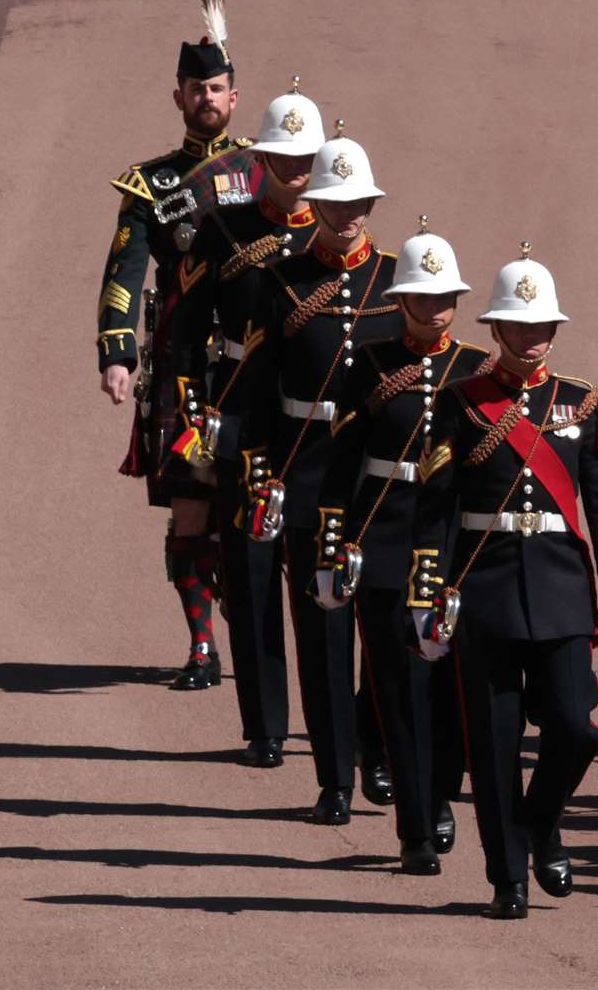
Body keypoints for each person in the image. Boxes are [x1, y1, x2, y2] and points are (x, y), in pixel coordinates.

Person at [411, 246, 598, 919]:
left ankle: (539, 824)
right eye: (522, 325)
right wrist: (428, 598)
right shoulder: (460, 406)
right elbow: (437, 509)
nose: (534, 336)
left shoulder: (581, 404)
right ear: (498, 330)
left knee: (575, 727)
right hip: (486, 593)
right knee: (493, 743)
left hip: (563, 592)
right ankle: (507, 878)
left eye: (544, 326)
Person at [317, 219, 490, 874]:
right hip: (385, 536)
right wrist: (332, 549)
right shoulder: (369, 365)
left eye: (446, 296)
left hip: (450, 544)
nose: (437, 307)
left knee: (449, 689)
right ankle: (416, 826)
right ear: (402, 302)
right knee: (398, 687)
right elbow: (340, 467)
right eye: (424, 295)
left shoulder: (474, 369)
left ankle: (441, 789)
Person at [95, 0, 251, 690]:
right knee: (192, 505)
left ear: (235, 95)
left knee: (259, 501)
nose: (207, 98)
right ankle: (201, 644)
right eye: (196, 88)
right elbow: (124, 271)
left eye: (217, 87)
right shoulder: (150, 183)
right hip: (185, 366)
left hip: (255, 361)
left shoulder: (263, 169)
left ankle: (262, 638)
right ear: (178, 95)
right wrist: (118, 353)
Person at [249, 126, 402, 823]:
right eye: (336, 203)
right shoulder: (281, 282)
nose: (349, 215)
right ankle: (336, 777)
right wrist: (261, 475)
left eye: (360, 203)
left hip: (379, 488)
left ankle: (376, 744)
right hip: (308, 477)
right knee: (323, 636)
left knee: (389, 632)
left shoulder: (403, 281)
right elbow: (255, 390)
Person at [171, 78, 323, 762]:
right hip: (242, 417)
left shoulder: (332, 233)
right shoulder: (222, 228)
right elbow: (183, 332)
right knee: (255, 574)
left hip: (317, 429)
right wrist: (194, 410)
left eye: (306, 157)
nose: (295, 169)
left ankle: (336, 728)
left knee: (326, 585)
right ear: (259, 158)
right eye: (283, 157)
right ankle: (264, 726)